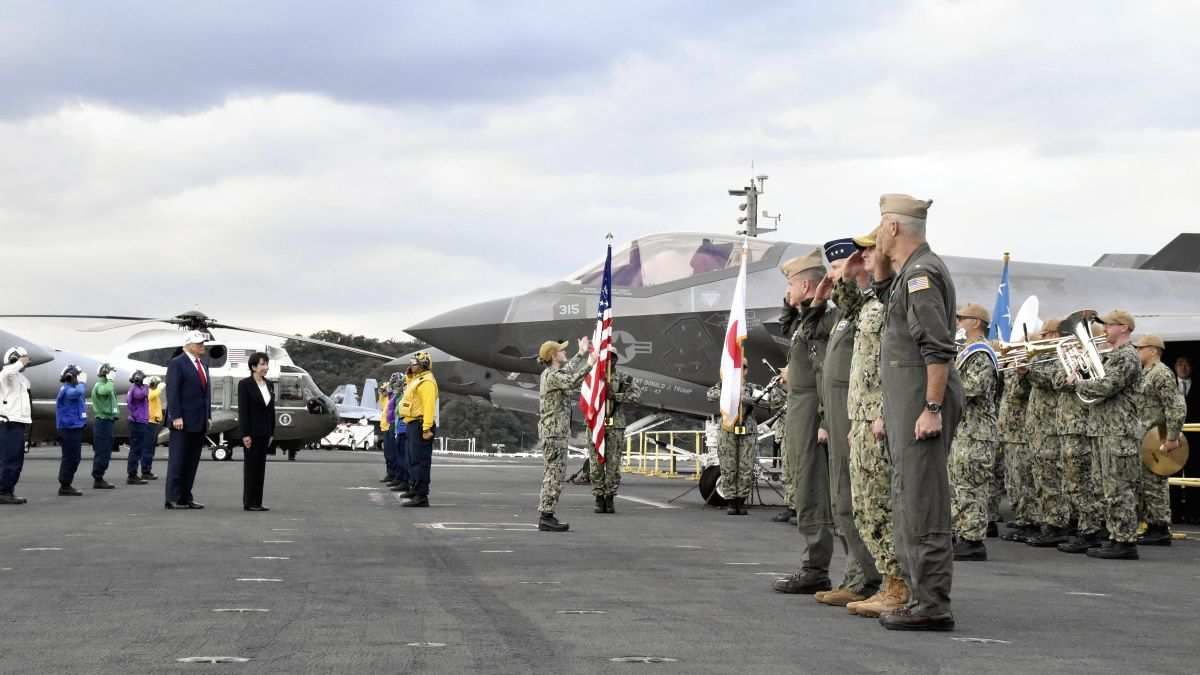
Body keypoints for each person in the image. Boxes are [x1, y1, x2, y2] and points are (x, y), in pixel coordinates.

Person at [873, 193, 962, 632]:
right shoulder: (908, 273)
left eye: (880, 227)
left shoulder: (922, 274)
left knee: (924, 503)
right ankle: (919, 596)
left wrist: (931, 407)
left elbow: (937, 348)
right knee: (909, 498)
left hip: (921, 408)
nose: (876, 237)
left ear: (893, 228)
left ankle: (932, 602)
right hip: (906, 406)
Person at [803, 238, 882, 607]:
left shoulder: (869, 308)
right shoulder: (845, 314)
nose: (831, 278)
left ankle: (867, 575)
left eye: (836, 269)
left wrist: (848, 276)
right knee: (841, 496)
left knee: (854, 495)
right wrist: (818, 300)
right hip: (838, 410)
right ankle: (856, 574)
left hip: (853, 412)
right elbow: (808, 335)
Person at [844, 228, 910, 619]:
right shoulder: (871, 301)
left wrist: (885, 411)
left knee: (881, 504)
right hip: (862, 416)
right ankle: (888, 581)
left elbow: (895, 361)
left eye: (869, 250)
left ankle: (898, 584)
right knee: (865, 505)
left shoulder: (896, 299)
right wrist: (854, 272)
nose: (863, 256)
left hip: (879, 418)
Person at [773, 250, 838, 596]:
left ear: (807, 285)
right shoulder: (807, 319)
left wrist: (824, 418)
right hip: (801, 406)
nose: (787, 289)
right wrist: (791, 304)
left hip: (813, 408)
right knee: (803, 483)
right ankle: (814, 563)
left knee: (813, 487)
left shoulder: (823, 321)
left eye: (791, 284)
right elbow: (791, 330)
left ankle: (816, 566)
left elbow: (824, 372)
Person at [1075, 310, 1142, 560]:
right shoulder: (1112, 355)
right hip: (1105, 429)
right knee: (1106, 487)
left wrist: (1078, 383)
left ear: (1124, 328)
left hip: (1119, 431)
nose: (1105, 329)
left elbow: (1107, 385)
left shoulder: (1127, 356)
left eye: (1110, 325)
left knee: (1119, 487)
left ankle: (1125, 541)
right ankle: (1114, 535)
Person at [949, 304, 1000, 562]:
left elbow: (973, 388)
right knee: (960, 485)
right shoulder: (966, 351)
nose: (958, 322)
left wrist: (943, 382)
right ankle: (962, 532)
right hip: (966, 430)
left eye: (963, 319)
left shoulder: (980, 353)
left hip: (977, 432)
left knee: (972, 486)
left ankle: (973, 540)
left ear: (976, 322)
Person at [535, 338, 594, 532]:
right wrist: (590, 364)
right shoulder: (552, 375)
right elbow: (572, 381)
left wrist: (581, 353)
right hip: (554, 433)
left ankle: (547, 514)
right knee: (554, 474)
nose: (564, 353)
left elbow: (567, 371)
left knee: (553, 473)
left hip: (554, 432)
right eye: (561, 351)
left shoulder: (551, 373)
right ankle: (546, 515)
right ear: (553, 355)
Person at [1133, 334, 1186, 546]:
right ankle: (1152, 524)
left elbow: (1175, 406)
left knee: (1155, 482)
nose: (1137, 352)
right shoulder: (1146, 373)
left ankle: (1160, 527)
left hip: (1157, 437)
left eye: (1141, 348)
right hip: (1145, 436)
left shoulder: (1161, 373)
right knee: (1146, 483)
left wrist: (1172, 437)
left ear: (1153, 350)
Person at [1022, 321, 1070, 547]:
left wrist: (1028, 371)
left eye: (1049, 334)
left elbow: (1052, 381)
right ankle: (1047, 521)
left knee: (1052, 476)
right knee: (1041, 476)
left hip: (1051, 427)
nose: (1045, 338)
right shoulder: (1042, 357)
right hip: (1038, 428)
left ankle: (1056, 524)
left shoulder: (1061, 356)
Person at [165, 331, 213, 510]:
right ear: (188, 345)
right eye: (199, 343)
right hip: (182, 421)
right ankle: (173, 497)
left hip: (198, 421)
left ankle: (186, 496)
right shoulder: (177, 364)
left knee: (192, 461)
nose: (202, 346)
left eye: (202, 343)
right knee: (178, 460)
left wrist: (208, 416)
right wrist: (176, 415)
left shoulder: (204, 365)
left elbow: (205, 394)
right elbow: (172, 392)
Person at [589, 368, 641, 514]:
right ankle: (599, 497)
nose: (609, 359)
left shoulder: (624, 378)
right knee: (596, 463)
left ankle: (609, 497)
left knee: (613, 463)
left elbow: (636, 396)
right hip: (596, 423)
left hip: (615, 424)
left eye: (612, 356)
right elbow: (581, 394)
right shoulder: (592, 375)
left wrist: (616, 396)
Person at [705, 369, 757, 516]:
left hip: (747, 430)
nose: (742, 369)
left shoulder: (752, 387)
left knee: (745, 466)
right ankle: (731, 501)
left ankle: (740, 500)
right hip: (728, 430)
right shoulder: (723, 386)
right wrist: (729, 392)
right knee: (728, 465)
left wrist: (743, 396)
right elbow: (710, 395)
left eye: (745, 367)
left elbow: (766, 400)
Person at [997, 369, 1037, 543]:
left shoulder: (1029, 368)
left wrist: (1023, 374)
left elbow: (1021, 392)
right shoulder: (1011, 367)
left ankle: (1029, 520)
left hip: (1022, 432)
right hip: (1010, 431)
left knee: (1024, 480)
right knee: (1014, 480)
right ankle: (1022, 517)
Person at [398, 352, 439, 507]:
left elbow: (428, 407)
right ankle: (414, 488)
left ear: (423, 364)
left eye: (414, 363)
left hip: (420, 424)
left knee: (420, 461)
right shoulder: (417, 380)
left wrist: (426, 428)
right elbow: (409, 393)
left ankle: (421, 495)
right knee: (412, 459)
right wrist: (409, 376)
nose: (411, 365)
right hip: (412, 423)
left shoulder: (427, 382)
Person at [238, 352, 275, 512]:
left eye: (266, 364)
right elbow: (243, 411)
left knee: (261, 468)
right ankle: (249, 502)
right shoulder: (244, 384)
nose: (265, 368)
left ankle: (257, 502)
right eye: (262, 364)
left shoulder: (270, 384)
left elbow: (271, 410)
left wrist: (272, 431)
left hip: (265, 432)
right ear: (253, 367)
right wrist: (245, 434)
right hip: (252, 432)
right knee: (251, 467)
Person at [0, 346, 33, 505]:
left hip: (19, 422)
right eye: (23, 359)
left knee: (16, 459)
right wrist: (19, 361)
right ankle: (3, 491)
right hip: (9, 422)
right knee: (9, 458)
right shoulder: (6, 375)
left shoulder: (21, 378)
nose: (26, 363)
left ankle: (8, 489)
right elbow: (8, 372)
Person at [54, 365, 88, 496]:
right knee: (71, 458)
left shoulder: (72, 388)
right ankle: (64, 485)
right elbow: (77, 393)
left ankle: (66, 484)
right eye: (77, 375)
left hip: (74, 427)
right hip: (68, 428)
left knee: (74, 457)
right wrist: (82, 382)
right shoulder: (67, 389)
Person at [90, 363, 121, 489]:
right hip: (102, 421)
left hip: (108, 421)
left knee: (106, 451)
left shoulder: (107, 385)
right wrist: (110, 379)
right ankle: (98, 478)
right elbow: (105, 391)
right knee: (102, 451)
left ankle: (100, 476)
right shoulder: (100, 385)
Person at [125, 370, 151, 486]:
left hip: (140, 421)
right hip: (137, 422)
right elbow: (141, 395)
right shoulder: (136, 389)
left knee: (137, 449)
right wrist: (146, 385)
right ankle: (132, 475)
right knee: (136, 450)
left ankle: (133, 474)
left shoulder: (136, 388)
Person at [385, 373, 410, 492]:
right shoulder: (396, 396)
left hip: (403, 428)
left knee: (402, 457)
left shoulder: (404, 396)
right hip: (397, 427)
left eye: (403, 384)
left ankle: (403, 480)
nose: (399, 386)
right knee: (398, 455)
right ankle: (400, 479)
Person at [142, 376, 164, 480]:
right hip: (149, 423)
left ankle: (147, 470)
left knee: (150, 449)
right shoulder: (149, 391)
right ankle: (145, 471)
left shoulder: (152, 392)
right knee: (148, 448)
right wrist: (159, 388)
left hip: (153, 422)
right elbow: (150, 396)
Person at [377, 380, 397, 485]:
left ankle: (395, 475)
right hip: (385, 427)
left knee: (393, 453)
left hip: (391, 426)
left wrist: (388, 390)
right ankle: (389, 474)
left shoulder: (394, 397)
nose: (384, 391)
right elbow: (381, 406)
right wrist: (382, 394)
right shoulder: (385, 399)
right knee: (387, 454)